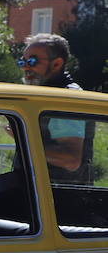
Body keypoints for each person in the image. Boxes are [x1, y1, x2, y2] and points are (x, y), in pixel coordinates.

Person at [19, 33, 91, 181]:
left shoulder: (66, 99)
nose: (25, 67)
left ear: (56, 64)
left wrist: (23, 138)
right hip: (38, 192)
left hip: (61, 197)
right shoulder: (45, 93)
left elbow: (71, 159)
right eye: (22, 62)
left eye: (32, 61)